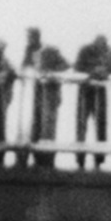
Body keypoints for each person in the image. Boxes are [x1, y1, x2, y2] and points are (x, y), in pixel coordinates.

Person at [22, 27, 68, 168]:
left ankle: (47, 159)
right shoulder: (29, 50)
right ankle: (36, 157)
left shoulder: (49, 50)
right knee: (36, 123)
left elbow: (65, 65)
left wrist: (51, 73)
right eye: (27, 36)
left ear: (36, 36)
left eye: (30, 36)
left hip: (50, 93)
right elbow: (24, 66)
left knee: (48, 125)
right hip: (36, 93)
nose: (28, 39)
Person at [73, 34, 111, 168]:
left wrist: (106, 71)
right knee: (81, 125)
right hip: (85, 91)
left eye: (104, 44)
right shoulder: (84, 51)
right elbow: (77, 67)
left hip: (100, 92)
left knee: (101, 124)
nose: (102, 47)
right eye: (100, 44)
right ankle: (80, 158)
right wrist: (92, 71)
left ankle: (99, 159)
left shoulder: (110, 53)